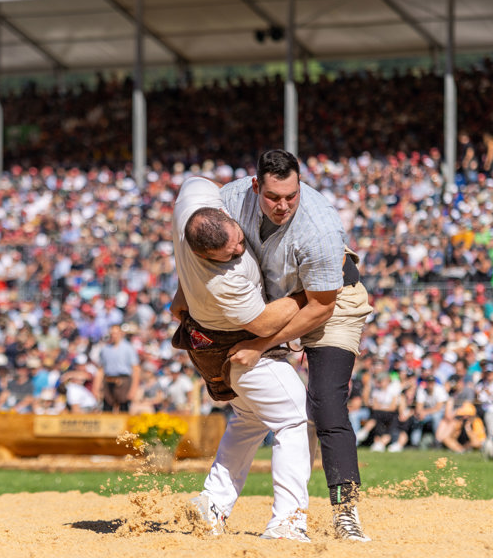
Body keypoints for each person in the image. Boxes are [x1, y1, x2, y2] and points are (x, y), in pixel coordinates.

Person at [221, 149, 373, 542]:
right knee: (257, 399)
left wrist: (261, 344)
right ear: (256, 187)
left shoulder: (320, 226)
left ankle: (345, 511)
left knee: (324, 400)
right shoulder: (229, 200)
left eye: (291, 195)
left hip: (332, 301)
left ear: (300, 186)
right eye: (273, 197)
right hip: (277, 302)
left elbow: (321, 306)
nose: (283, 205)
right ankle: (216, 498)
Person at [172, 176, 311, 542]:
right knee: (294, 418)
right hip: (235, 344)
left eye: (237, 241)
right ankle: (287, 521)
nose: (238, 252)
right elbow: (264, 322)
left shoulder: (193, 203)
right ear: (203, 256)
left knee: (250, 419)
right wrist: (305, 295)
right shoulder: (224, 280)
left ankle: (212, 503)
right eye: (228, 254)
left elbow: (195, 180)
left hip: (203, 339)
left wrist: (181, 285)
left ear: (221, 213)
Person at [93, 324, 140, 413]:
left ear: (121, 333)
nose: (114, 335)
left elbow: (136, 369)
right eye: (112, 333)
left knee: (124, 408)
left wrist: (133, 389)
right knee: (107, 407)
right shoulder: (105, 349)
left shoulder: (128, 348)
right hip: (109, 380)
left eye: (116, 333)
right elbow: (101, 369)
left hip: (123, 380)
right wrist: (96, 387)